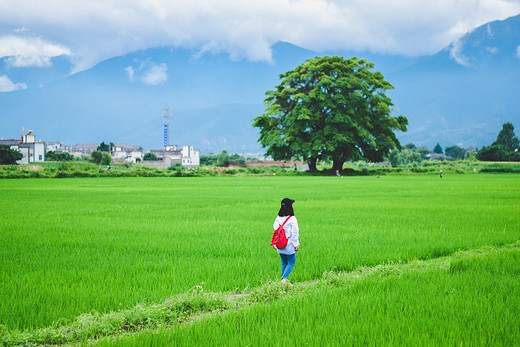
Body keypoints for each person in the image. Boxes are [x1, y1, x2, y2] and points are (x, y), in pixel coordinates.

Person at [273, 198, 300, 283]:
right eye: (292, 204)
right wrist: (296, 244)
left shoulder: (278, 218)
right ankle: (284, 280)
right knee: (291, 262)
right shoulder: (292, 219)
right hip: (289, 244)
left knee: (284, 262)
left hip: (280, 244)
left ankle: (284, 281)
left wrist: (275, 243)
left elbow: (276, 229)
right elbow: (295, 233)